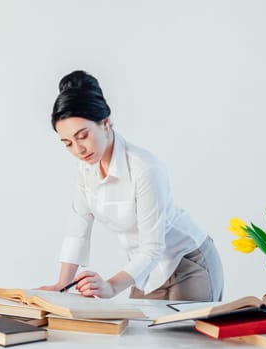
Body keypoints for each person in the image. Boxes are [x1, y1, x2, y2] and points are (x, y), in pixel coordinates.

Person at [39, 70, 223, 301]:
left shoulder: (145, 168)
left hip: (188, 262)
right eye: (67, 143)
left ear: (105, 123)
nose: (78, 149)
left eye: (83, 136)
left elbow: (153, 247)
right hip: (146, 268)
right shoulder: (86, 170)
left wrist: (111, 287)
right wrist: (62, 284)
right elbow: (78, 226)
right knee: (140, 336)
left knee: (183, 335)